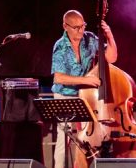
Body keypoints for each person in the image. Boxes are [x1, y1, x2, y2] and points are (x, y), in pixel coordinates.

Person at [51, 10, 118, 168]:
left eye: (83, 26)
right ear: (65, 26)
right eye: (76, 28)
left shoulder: (90, 39)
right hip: (64, 95)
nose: (81, 30)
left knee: (87, 137)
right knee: (63, 139)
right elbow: (58, 78)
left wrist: (110, 36)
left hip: (85, 96)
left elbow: (111, 58)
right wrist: (86, 80)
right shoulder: (60, 46)